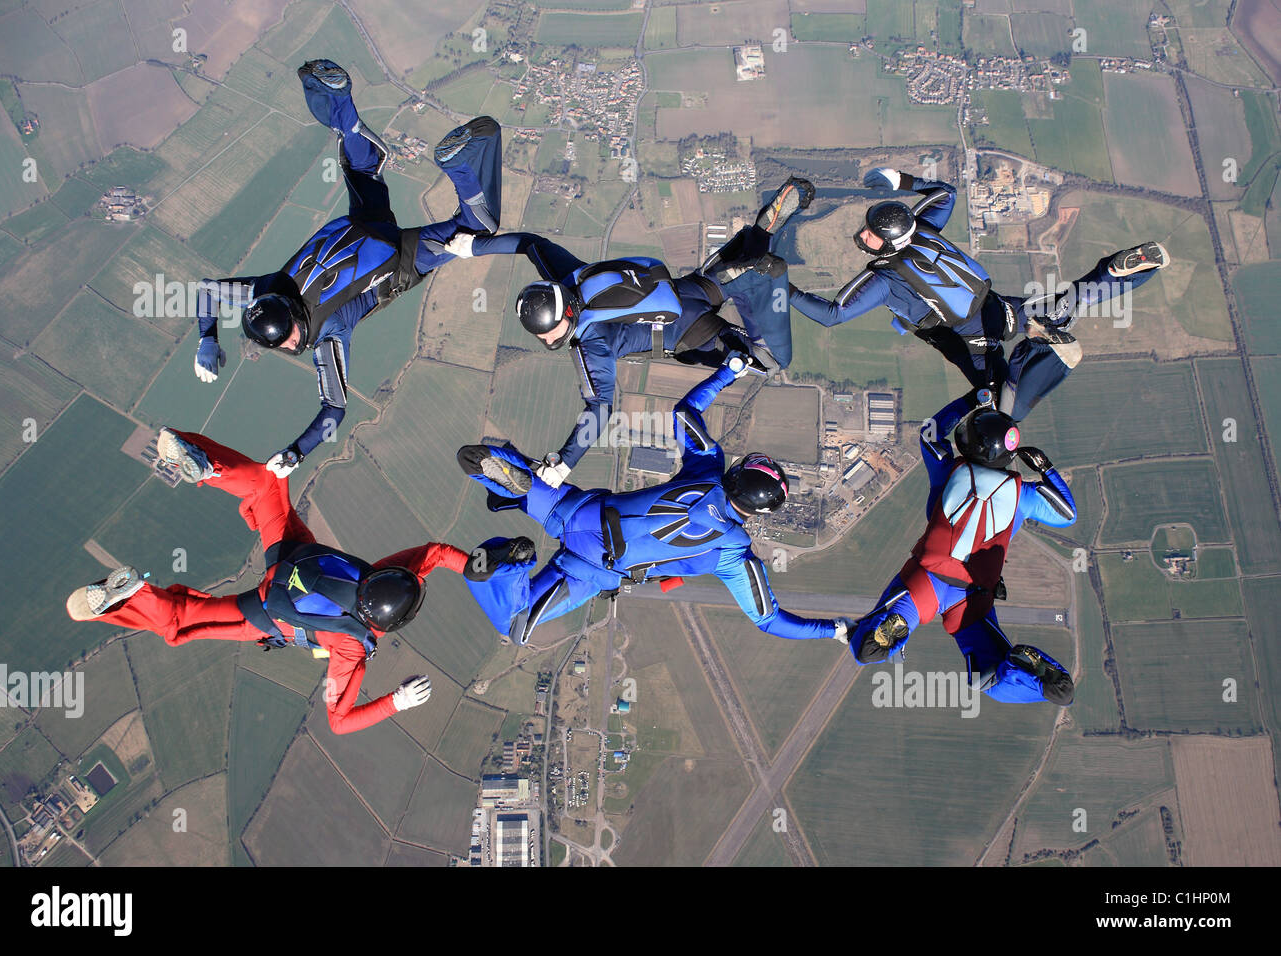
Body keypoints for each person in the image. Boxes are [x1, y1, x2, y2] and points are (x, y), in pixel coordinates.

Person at [64, 428, 516, 734]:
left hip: (293, 556)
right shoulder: (353, 647)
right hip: (269, 612)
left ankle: (208, 467)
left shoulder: (382, 575)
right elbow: (340, 722)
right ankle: (130, 598)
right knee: (183, 624)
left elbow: (435, 554)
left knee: (265, 486)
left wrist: (477, 567)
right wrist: (395, 702)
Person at [191, 59, 503, 477]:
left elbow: (334, 410)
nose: (289, 347)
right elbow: (208, 291)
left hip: (399, 258)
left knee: (479, 227)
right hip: (361, 224)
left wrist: (296, 453)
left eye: (287, 340)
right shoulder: (267, 288)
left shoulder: (328, 332)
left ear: (294, 324)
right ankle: (338, 100)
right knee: (359, 167)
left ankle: (460, 165)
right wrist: (206, 339)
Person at [455, 356, 850, 646]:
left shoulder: (708, 468)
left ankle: (516, 487)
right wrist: (833, 630)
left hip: (578, 511)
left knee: (477, 459)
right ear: (761, 511)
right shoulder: (734, 554)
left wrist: (728, 371)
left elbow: (684, 412)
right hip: (593, 568)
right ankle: (510, 561)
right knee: (516, 626)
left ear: (738, 471)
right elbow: (769, 620)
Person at [443, 177, 816, 485]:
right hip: (686, 290)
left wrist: (563, 465)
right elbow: (531, 245)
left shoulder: (590, 343)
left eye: (548, 332)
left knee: (771, 360)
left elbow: (601, 409)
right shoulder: (569, 279)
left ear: (564, 320)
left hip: (691, 333)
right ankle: (757, 237)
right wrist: (474, 246)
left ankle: (768, 274)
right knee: (719, 279)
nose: (546, 339)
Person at [789, 166, 1170, 421]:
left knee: (1005, 407)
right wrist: (899, 179)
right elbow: (946, 192)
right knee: (1073, 298)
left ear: (888, 244)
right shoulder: (922, 229)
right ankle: (1118, 271)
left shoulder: (886, 278)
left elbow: (833, 315)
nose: (864, 234)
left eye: (871, 233)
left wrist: (781, 289)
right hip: (997, 307)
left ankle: (1047, 355)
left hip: (971, 338)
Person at [848, 390, 1078, 704]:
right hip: (970, 597)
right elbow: (1067, 512)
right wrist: (1045, 467)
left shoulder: (950, 471)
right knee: (988, 678)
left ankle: (884, 631)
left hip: (925, 579)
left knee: (864, 649)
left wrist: (974, 399)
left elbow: (930, 432)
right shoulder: (1022, 495)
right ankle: (1035, 682)